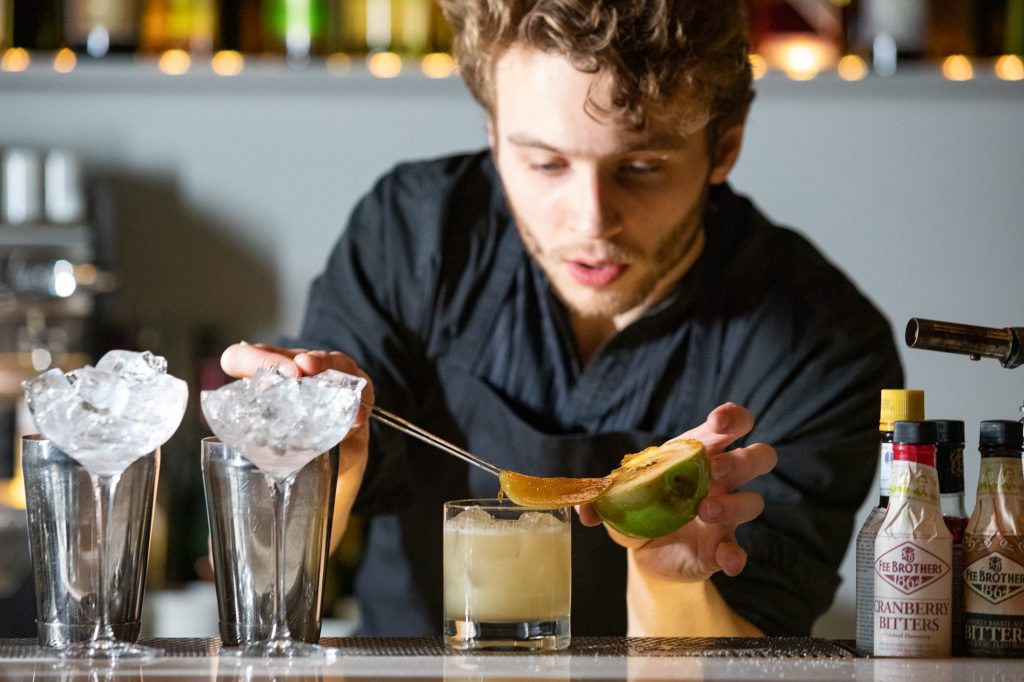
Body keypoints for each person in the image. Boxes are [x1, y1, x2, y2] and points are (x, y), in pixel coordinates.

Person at [221, 0, 902, 637]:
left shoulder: (822, 344)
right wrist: (314, 451)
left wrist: (672, 583)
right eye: (545, 162)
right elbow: (277, 585)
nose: (590, 221)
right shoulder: (416, 233)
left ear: (723, 149)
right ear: (493, 137)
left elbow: (750, 663)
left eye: (640, 167)